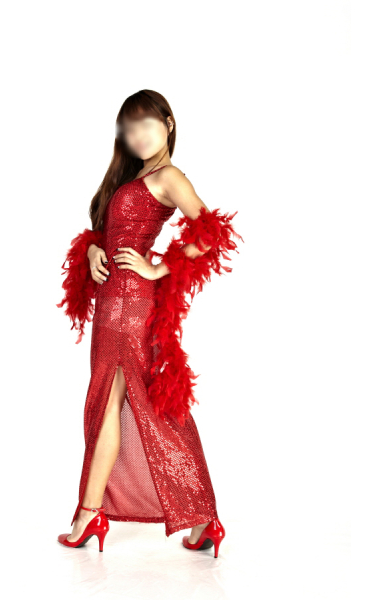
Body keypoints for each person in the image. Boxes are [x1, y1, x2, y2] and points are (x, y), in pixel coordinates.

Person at [56, 89, 243, 558]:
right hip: (113, 301)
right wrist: (93, 250)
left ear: (169, 123)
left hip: (129, 306)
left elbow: (211, 232)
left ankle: (89, 514)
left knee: (114, 401)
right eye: (129, 127)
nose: (138, 135)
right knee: (132, 402)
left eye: (146, 124)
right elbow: (108, 234)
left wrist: (160, 267)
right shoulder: (132, 175)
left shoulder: (168, 176)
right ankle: (202, 520)